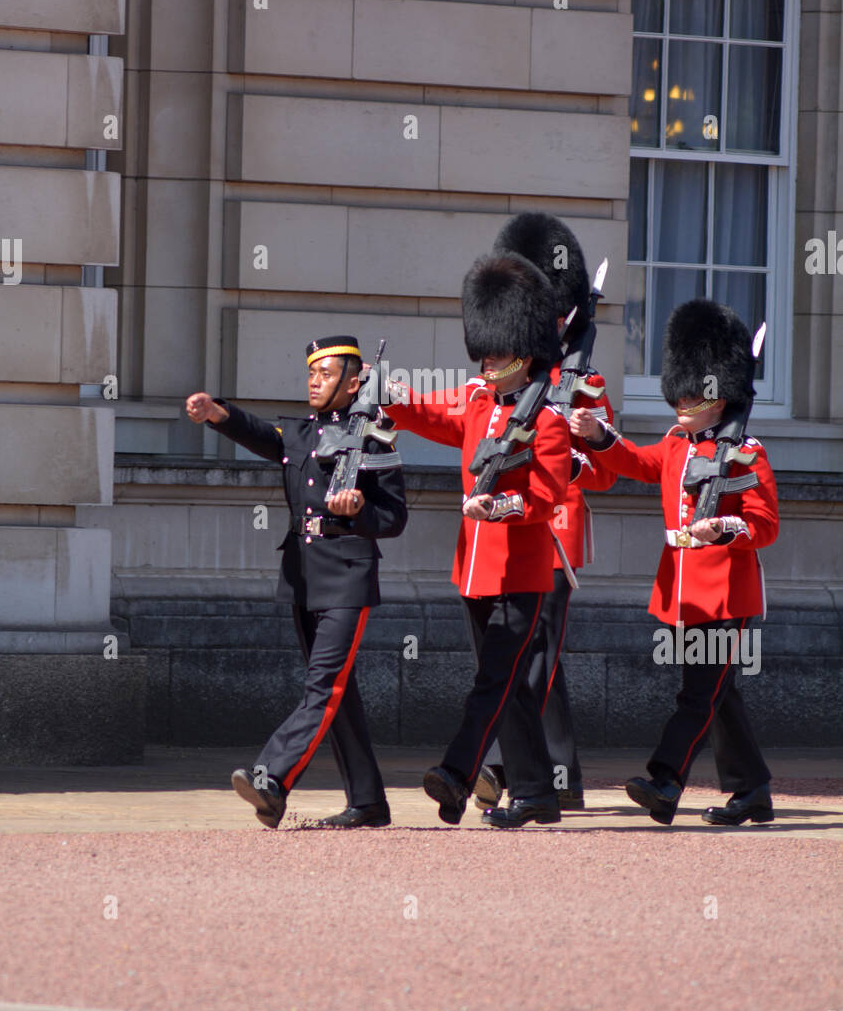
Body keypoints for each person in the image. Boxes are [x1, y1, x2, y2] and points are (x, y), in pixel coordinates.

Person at [185, 335, 407, 830]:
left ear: (354, 384)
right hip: (303, 575)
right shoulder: (302, 434)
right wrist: (217, 412)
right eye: (311, 373)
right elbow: (260, 432)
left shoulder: (376, 437)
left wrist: (360, 511)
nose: (314, 381)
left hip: (348, 575)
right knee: (336, 695)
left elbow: (394, 518)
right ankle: (368, 801)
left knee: (323, 688)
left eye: (326, 375)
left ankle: (271, 778)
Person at [570, 298, 778, 826]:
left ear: (720, 394)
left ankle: (665, 781)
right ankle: (752, 790)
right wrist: (599, 437)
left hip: (728, 597)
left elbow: (765, 525)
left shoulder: (746, 453)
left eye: (694, 391)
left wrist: (726, 528)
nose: (682, 400)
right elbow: (636, 463)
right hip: (684, 592)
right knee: (718, 697)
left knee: (697, 696)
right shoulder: (675, 445)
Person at [383, 252, 573, 828]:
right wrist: (390, 395)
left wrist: (501, 506)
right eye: (483, 352)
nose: (486, 361)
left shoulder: (550, 422)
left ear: (524, 351)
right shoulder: (478, 402)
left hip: (520, 571)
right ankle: (537, 792)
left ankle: (458, 775)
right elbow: (436, 417)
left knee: (494, 680)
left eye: (496, 352)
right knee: (508, 686)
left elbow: (547, 496)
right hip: (473, 568)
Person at [471, 212, 616, 815]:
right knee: (520, 655)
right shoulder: (502, 378)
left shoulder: (584, 382)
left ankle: (502, 766)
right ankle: (560, 772)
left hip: (553, 530)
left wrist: (585, 439)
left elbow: (607, 472)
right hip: (501, 529)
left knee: (535, 656)